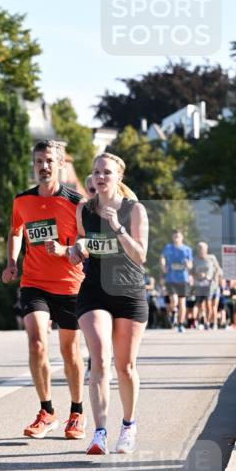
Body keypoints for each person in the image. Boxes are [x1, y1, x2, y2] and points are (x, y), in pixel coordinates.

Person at [2, 140, 86, 439]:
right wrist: (12, 261)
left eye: (49, 160)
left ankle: (76, 412)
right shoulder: (22, 201)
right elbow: (15, 232)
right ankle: (47, 410)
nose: (44, 166)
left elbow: (88, 244)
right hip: (33, 282)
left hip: (69, 284)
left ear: (61, 164)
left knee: (69, 350)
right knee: (37, 341)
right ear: (33, 164)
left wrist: (67, 250)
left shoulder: (78, 203)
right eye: (39, 161)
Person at [68, 152, 149, 455]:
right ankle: (100, 432)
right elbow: (83, 243)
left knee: (125, 366)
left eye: (107, 173)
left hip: (129, 293)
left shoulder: (134, 210)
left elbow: (140, 255)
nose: (101, 177)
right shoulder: (84, 210)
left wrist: (117, 227)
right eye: (97, 172)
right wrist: (77, 249)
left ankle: (128, 425)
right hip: (95, 292)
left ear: (119, 178)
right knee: (100, 359)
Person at [160, 229, 193, 332]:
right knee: (174, 300)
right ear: (172, 238)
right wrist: (163, 265)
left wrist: (188, 265)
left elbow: (191, 264)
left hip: (183, 279)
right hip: (171, 278)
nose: (176, 239)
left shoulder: (187, 249)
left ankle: (180, 324)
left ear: (182, 237)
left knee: (182, 303)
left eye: (178, 236)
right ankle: (173, 312)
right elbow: (162, 257)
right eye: (174, 237)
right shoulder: (168, 248)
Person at [192, 242, 221, 329]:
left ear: (206, 250)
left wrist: (215, 276)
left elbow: (218, 269)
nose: (202, 251)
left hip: (211, 285)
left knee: (209, 304)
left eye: (203, 249)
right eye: (200, 249)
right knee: (200, 304)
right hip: (200, 285)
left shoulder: (212, 258)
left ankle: (209, 322)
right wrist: (198, 275)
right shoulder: (195, 260)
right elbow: (192, 272)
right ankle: (202, 321)